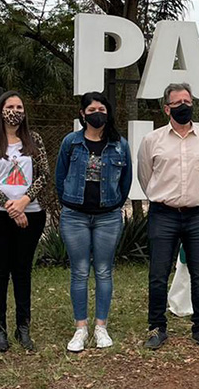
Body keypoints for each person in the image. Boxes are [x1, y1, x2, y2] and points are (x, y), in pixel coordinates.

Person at [138, 83, 199, 351]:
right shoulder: (152, 140)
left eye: (187, 101)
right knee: (158, 274)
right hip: (164, 214)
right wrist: (164, 197)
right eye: (177, 103)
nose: (184, 106)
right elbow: (146, 176)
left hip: (197, 214)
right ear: (167, 109)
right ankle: (157, 328)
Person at [55, 92, 133, 353]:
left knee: (103, 271)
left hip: (108, 217)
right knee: (79, 271)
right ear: (82, 114)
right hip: (75, 216)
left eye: (101, 109)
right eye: (91, 110)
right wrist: (69, 201)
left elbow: (126, 181)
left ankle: (101, 326)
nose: (97, 114)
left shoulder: (120, 145)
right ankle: (81, 328)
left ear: (108, 113)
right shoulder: (71, 142)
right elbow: (60, 176)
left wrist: (113, 203)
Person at [0, 91, 50, 352]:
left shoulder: (34, 139)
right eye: (10, 106)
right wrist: (11, 207)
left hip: (32, 213)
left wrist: (24, 202)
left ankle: (23, 327)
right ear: (1, 110)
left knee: (22, 270)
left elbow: (44, 175)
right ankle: (0, 330)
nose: (15, 111)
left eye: (19, 107)